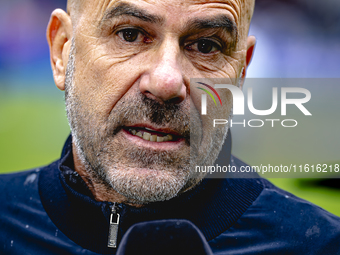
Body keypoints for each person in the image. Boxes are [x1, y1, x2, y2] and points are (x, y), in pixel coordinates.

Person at [0, 0, 339, 254]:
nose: (166, 82)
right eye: (130, 35)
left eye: (206, 45)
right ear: (62, 51)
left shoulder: (319, 245)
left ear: (241, 73)